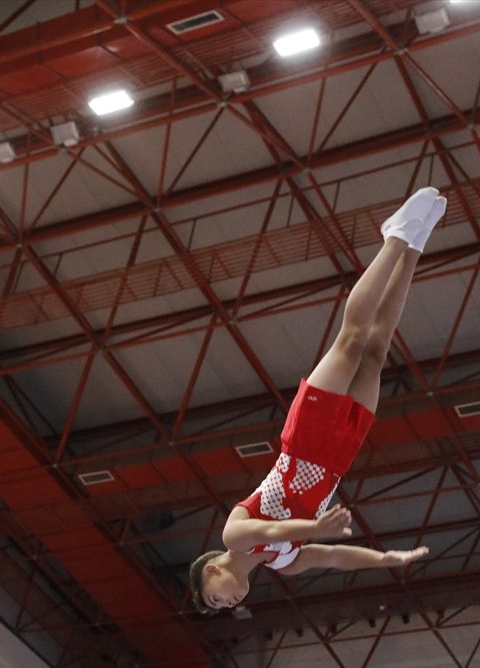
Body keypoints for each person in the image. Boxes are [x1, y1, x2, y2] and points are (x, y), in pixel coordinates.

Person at [190, 187, 448, 613]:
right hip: (338, 458)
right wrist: (383, 559)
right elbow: (332, 558)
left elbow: (270, 533)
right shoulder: (286, 566)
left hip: (305, 443)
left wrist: (314, 525)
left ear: (212, 571)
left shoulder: (233, 537)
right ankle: (414, 246)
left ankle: (395, 236)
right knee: (377, 350)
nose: (229, 602)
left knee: (351, 341)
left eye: (216, 600)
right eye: (224, 607)